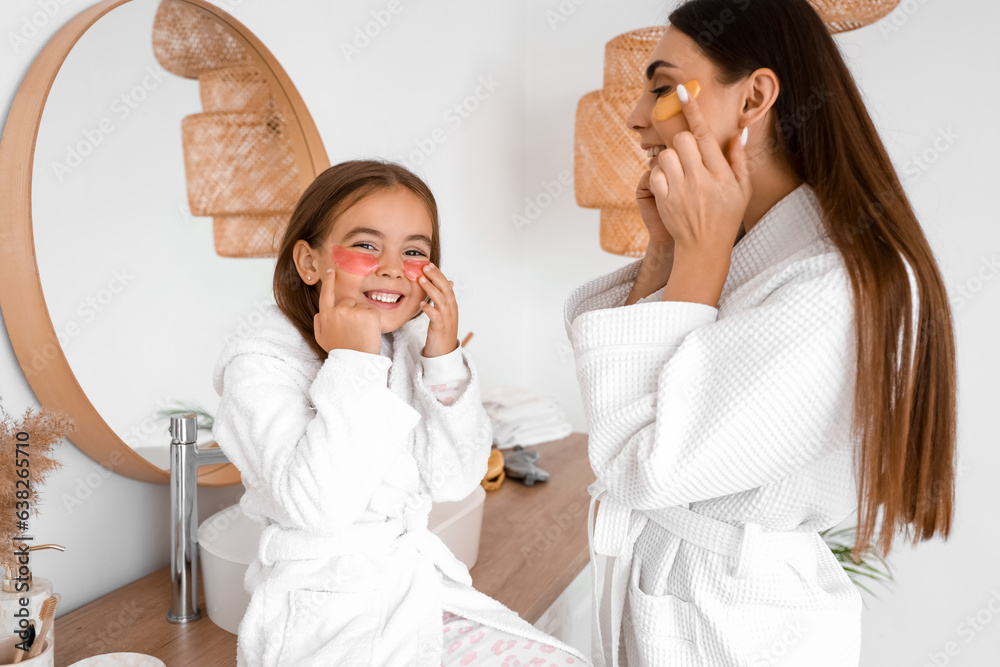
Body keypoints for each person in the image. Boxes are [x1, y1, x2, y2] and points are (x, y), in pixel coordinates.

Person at [563, 1, 957, 666]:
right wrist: (666, 252)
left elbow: (640, 465)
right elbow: (621, 378)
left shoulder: (830, 284)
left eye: (662, 88)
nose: (635, 116)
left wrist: (699, 257)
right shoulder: (756, 251)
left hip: (733, 626)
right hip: (686, 591)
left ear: (755, 96)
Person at [212, 160, 590, 666]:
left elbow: (454, 479)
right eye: (367, 245)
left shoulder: (409, 347)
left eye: (414, 251)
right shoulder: (261, 366)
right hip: (325, 617)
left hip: (413, 591)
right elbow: (320, 509)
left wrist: (443, 356)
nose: (392, 267)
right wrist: (355, 362)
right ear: (308, 262)